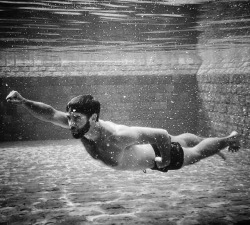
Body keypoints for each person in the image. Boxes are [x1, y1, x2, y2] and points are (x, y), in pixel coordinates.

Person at [6, 90, 240, 172]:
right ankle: (216, 141)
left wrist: (163, 161)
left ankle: (229, 139)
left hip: (157, 155)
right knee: (181, 139)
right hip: (148, 151)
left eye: (76, 118)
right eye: (70, 117)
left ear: (94, 118)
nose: (70, 123)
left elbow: (160, 134)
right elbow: (49, 114)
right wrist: (24, 101)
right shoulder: (80, 126)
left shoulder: (116, 137)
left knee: (195, 153)